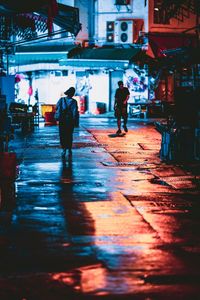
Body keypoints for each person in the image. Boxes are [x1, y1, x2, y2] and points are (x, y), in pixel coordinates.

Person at [55, 87, 79, 159]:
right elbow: (75, 112)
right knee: (69, 135)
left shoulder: (61, 100)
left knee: (62, 135)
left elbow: (56, 107)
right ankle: (69, 149)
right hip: (70, 121)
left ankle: (64, 149)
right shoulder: (74, 101)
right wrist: (75, 122)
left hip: (62, 120)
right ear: (72, 94)